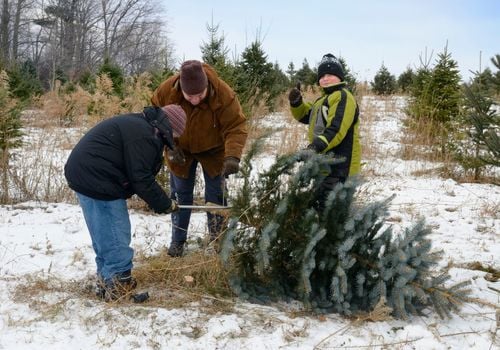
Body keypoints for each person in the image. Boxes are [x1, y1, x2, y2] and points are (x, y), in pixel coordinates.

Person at [64, 105, 186, 300]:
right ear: (170, 127)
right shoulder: (146, 135)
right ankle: (118, 286)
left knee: (104, 234)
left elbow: (136, 172)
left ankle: (106, 281)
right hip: (98, 179)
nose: (174, 138)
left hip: (86, 174)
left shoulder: (143, 125)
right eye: (175, 133)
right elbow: (141, 177)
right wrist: (164, 204)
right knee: (115, 232)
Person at [151, 60, 248, 257]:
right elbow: (153, 119)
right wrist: (170, 146)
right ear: (181, 88)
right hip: (179, 149)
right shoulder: (166, 91)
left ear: (206, 87)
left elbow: (236, 126)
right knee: (180, 195)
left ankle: (218, 241)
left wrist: (232, 156)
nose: (195, 100)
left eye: (199, 95)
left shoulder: (223, 93)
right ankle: (177, 241)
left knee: (216, 196)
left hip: (214, 150)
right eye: (190, 96)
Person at [288, 53, 361, 210]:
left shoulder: (343, 97)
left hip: (341, 167)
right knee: (321, 212)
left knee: (333, 214)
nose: (325, 79)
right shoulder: (321, 101)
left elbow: (336, 129)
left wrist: (314, 147)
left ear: (340, 77)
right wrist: (296, 103)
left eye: (330, 74)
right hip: (324, 165)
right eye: (322, 76)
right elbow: (306, 116)